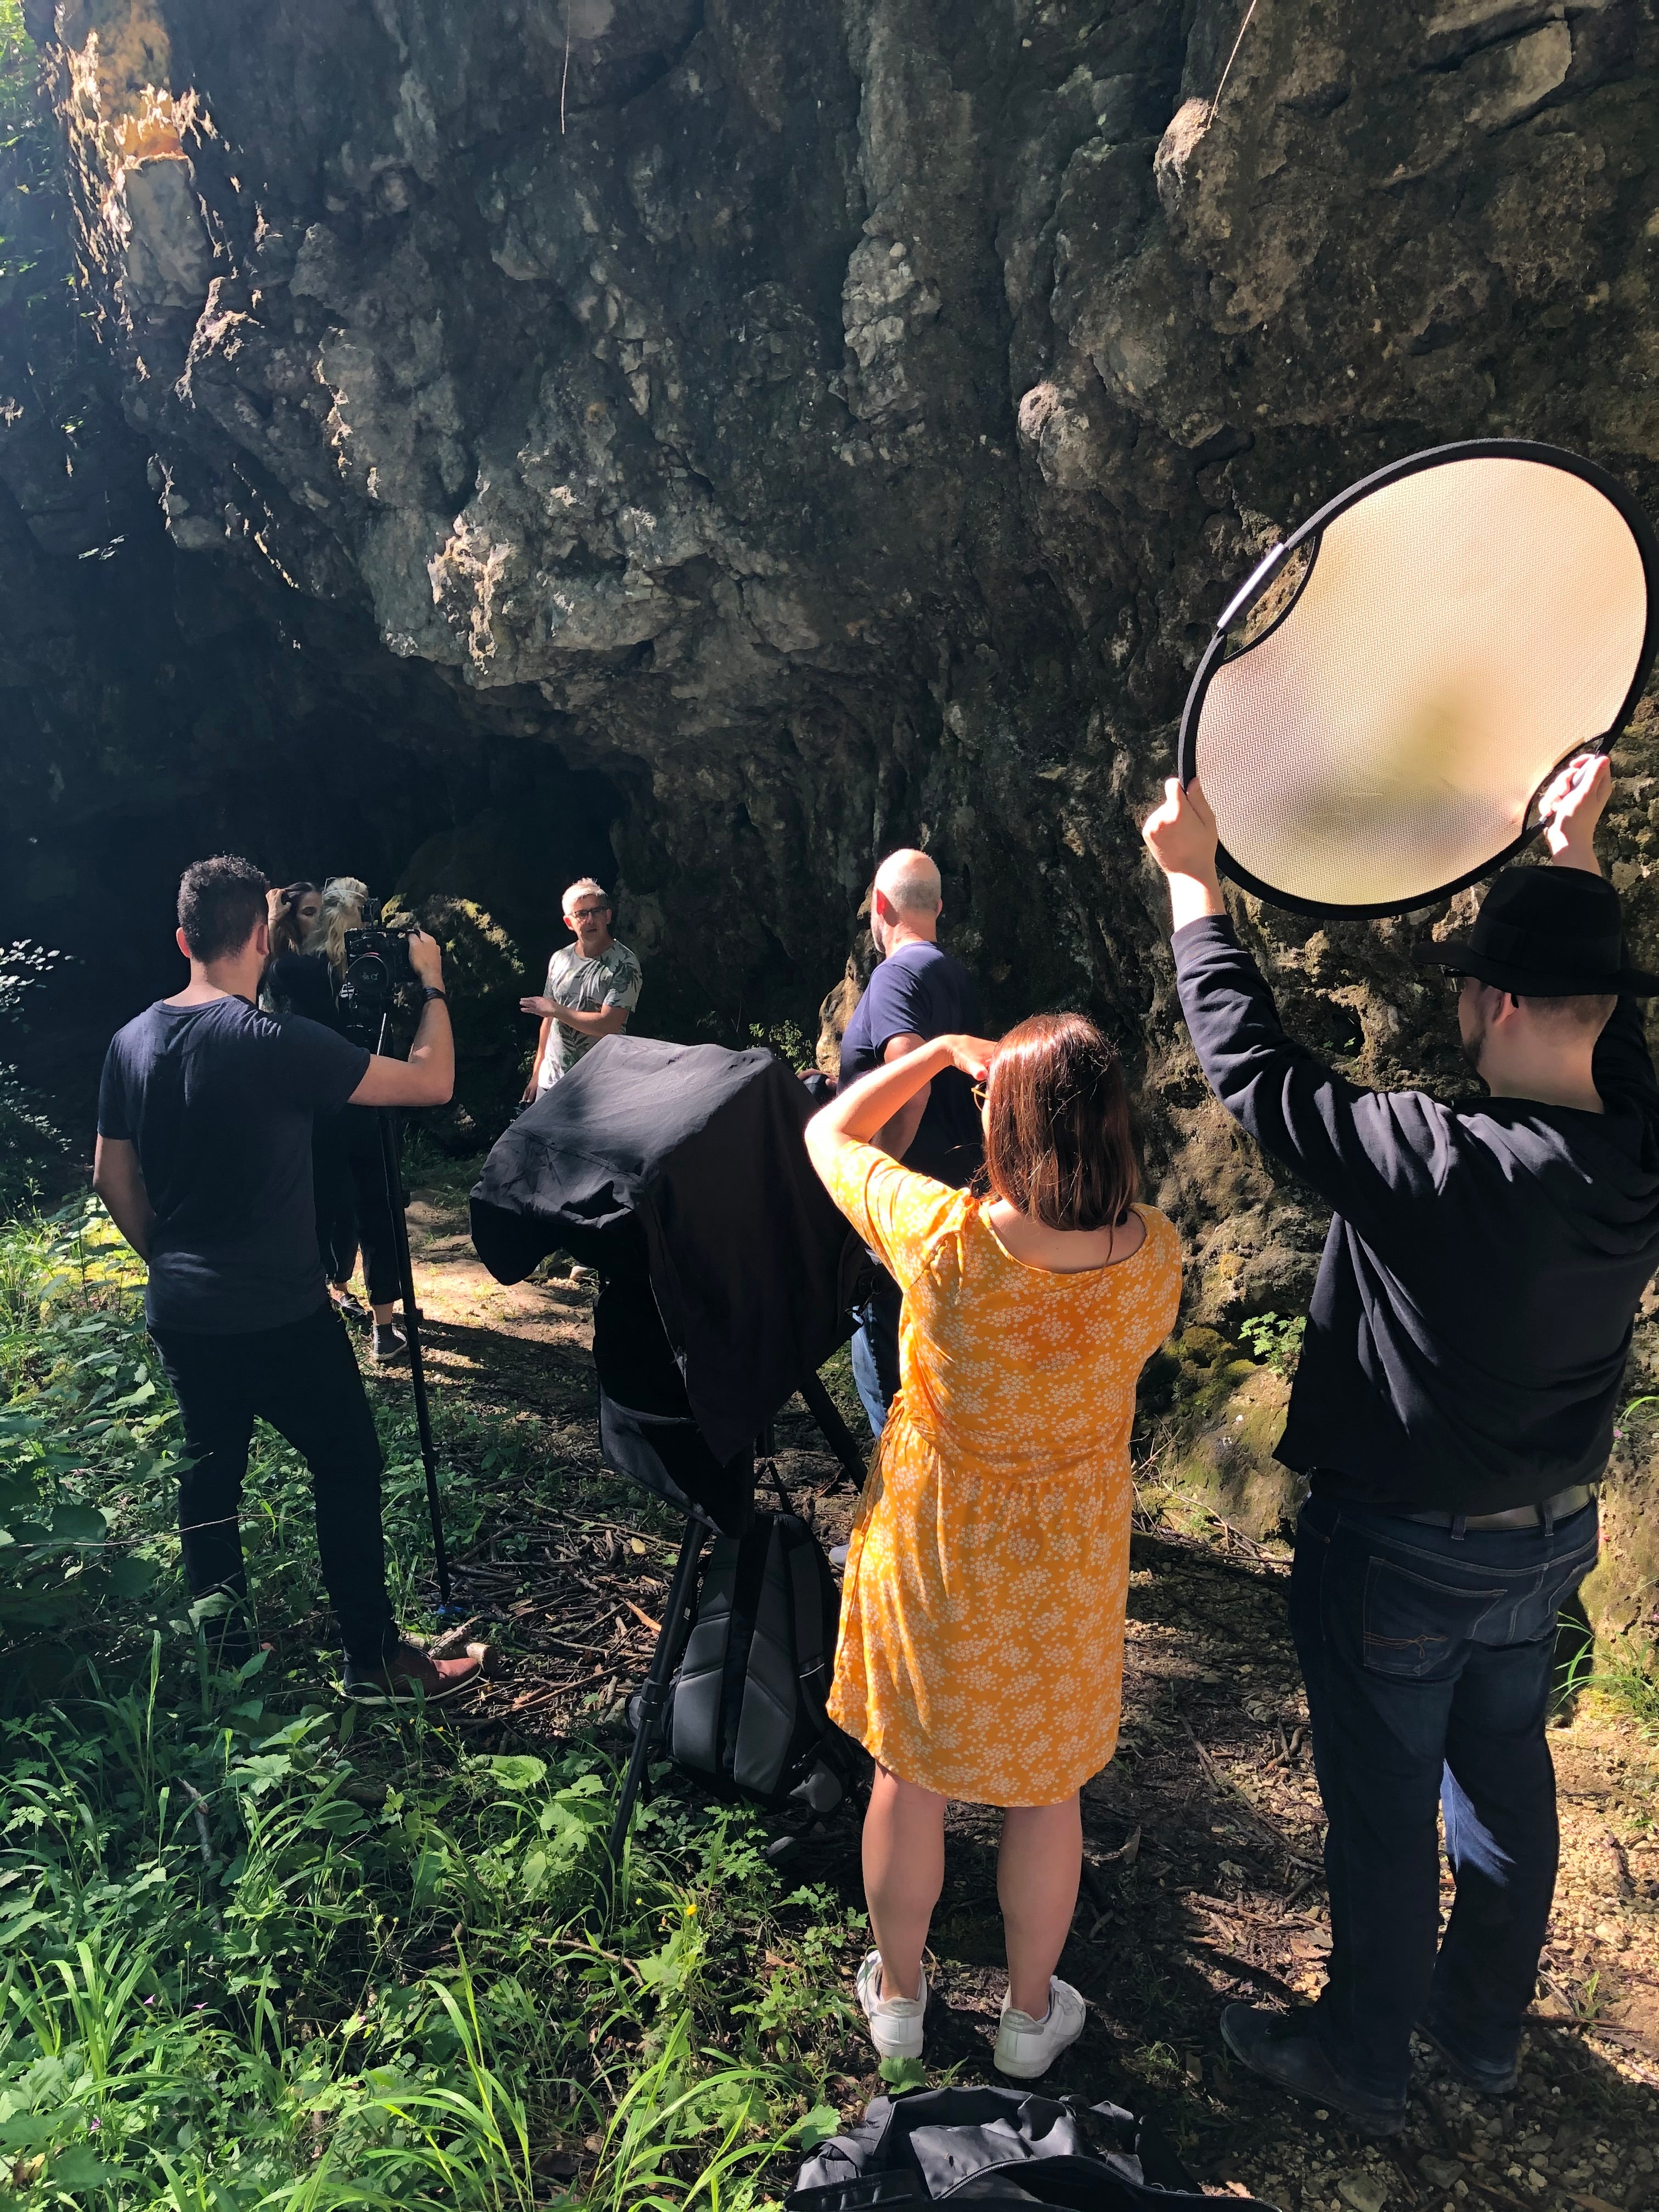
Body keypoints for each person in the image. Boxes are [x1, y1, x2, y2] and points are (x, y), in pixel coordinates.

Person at [1141, 753, 1659, 2136]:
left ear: (1497, 1003)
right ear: (1605, 1013)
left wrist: (1194, 884)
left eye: (1470, 991)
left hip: (1397, 1555)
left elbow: (1255, 1072)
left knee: (1384, 1813)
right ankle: (1481, 2034)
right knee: (1506, 1784)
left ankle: (1361, 2057)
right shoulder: (1637, 1154)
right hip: (1544, 1544)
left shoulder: (1438, 1157)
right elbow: (1608, 1044)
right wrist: (1573, 853)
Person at [805, 1015, 1182, 2079]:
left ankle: (900, 2003)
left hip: (935, 1542)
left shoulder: (946, 1242)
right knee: (1046, 1786)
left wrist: (932, 1057)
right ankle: (1026, 2019)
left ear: (1000, 1124)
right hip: (1064, 1558)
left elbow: (828, 1135)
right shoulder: (1154, 1256)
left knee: (909, 1772)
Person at [93, 854, 479, 1703]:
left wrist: (169, 1259)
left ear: (184, 940)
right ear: (264, 939)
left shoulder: (131, 1042)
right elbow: (432, 1081)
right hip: (278, 1314)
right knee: (347, 1464)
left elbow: (110, 1178)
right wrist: (432, 985)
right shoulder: (277, 1044)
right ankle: (372, 1660)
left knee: (210, 1478)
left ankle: (227, 1658)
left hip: (181, 1311)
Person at [835, 850, 983, 1436]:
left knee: (893, 1393)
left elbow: (912, 1084)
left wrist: (869, 1180)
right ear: (939, 907)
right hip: (957, 1200)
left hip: (904, 1215)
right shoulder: (955, 975)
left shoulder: (895, 975)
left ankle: (901, 1490)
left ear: (880, 904)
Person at [304, 877, 410, 1361]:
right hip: (373, 1100)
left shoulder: (297, 973)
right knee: (379, 1211)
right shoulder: (378, 968)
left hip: (321, 1110)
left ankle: (330, 1294)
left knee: (327, 1207)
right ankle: (384, 1326)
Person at [519, 878, 642, 1101]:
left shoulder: (624, 964)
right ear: (569, 922)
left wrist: (556, 1010)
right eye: (582, 914)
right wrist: (537, 1073)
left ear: (608, 916)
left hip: (599, 1087)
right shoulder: (559, 959)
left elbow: (609, 1025)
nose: (590, 920)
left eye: (597, 911)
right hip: (551, 1083)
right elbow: (548, 1021)